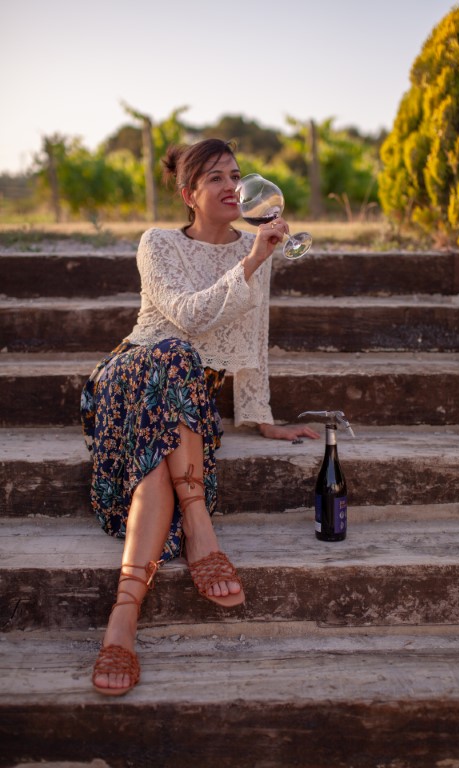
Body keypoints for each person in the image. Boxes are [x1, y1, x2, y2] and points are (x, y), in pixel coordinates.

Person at [80, 138, 319, 697]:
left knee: (158, 458)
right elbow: (187, 317)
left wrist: (261, 416)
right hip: (130, 377)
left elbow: (254, 338)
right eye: (215, 178)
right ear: (189, 195)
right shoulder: (158, 243)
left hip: (186, 401)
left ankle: (122, 619)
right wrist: (253, 260)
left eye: (236, 174)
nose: (232, 186)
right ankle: (199, 525)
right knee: (175, 354)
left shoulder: (254, 248)